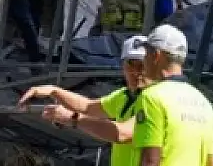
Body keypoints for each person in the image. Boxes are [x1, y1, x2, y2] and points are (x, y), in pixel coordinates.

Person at [18, 36, 149, 163]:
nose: (136, 72)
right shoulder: (125, 95)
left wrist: (72, 118)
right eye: (131, 64)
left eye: (142, 65)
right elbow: (88, 106)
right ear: (123, 66)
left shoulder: (155, 98)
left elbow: (122, 134)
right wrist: (54, 91)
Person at [133, 24, 213, 166]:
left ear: (156, 56)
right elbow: (212, 162)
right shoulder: (204, 103)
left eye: (146, 54)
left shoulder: (152, 97)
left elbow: (150, 160)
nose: (144, 61)